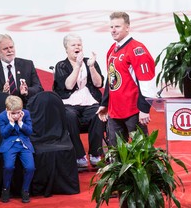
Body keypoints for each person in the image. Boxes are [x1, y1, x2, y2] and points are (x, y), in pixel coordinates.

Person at [97, 11, 155, 146]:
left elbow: (147, 80)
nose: (113, 30)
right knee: (116, 153)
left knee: (141, 151)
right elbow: (111, 78)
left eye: (117, 26)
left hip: (133, 110)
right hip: (114, 111)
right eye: (111, 27)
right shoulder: (112, 49)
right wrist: (104, 104)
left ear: (127, 27)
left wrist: (145, 109)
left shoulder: (137, 49)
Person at [53, 33, 105, 168]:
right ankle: (79, 155)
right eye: (73, 45)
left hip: (89, 102)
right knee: (69, 116)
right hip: (69, 104)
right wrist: (77, 66)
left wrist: (92, 67)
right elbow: (68, 85)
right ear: (66, 49)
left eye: (79, 44)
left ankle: (95, 154)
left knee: (98, 113)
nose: (77, 47)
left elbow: (99, 84)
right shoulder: (61, 65)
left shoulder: (90, 62)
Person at [0, 34, 43, 107]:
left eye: (11, 47)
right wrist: (3, 94)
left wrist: (27, 91)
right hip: (2, 109)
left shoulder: (27, 65)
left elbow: (39, 88)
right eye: (5, 49)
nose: (9, 51)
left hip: (26, 107)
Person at [0, 95, 35, 203]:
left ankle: (25, 190)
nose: (16, 115)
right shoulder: (1, 116)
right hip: (9, 144)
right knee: (8, 166)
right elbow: (4, 134)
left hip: (24, 144)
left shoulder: (26, 114)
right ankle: (5, 189)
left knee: (30, 167)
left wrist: (21, 123)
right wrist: (11, 123)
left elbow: (29, 132)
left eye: (18, 112)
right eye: (13, 113)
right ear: (7, 110)